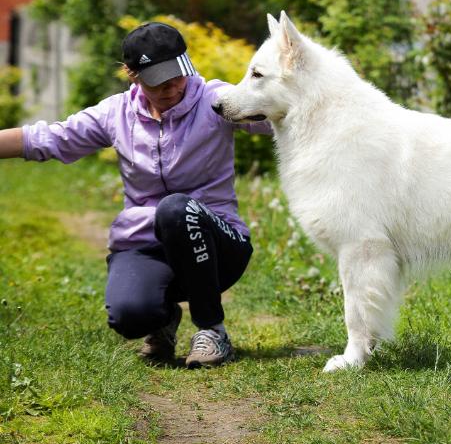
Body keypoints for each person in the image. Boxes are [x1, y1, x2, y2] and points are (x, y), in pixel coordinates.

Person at [0, 22, 271, 368]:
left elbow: (277, 115)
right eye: (159, 80)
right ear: (132, 74)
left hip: (220, 246)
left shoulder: (215, 100)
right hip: (146, 240)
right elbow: (49, 138)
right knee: (129, 315)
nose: (173, 87)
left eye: (178, 74)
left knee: (175, 209)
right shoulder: (116, 113)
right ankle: (161, 320)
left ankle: (212, 330)